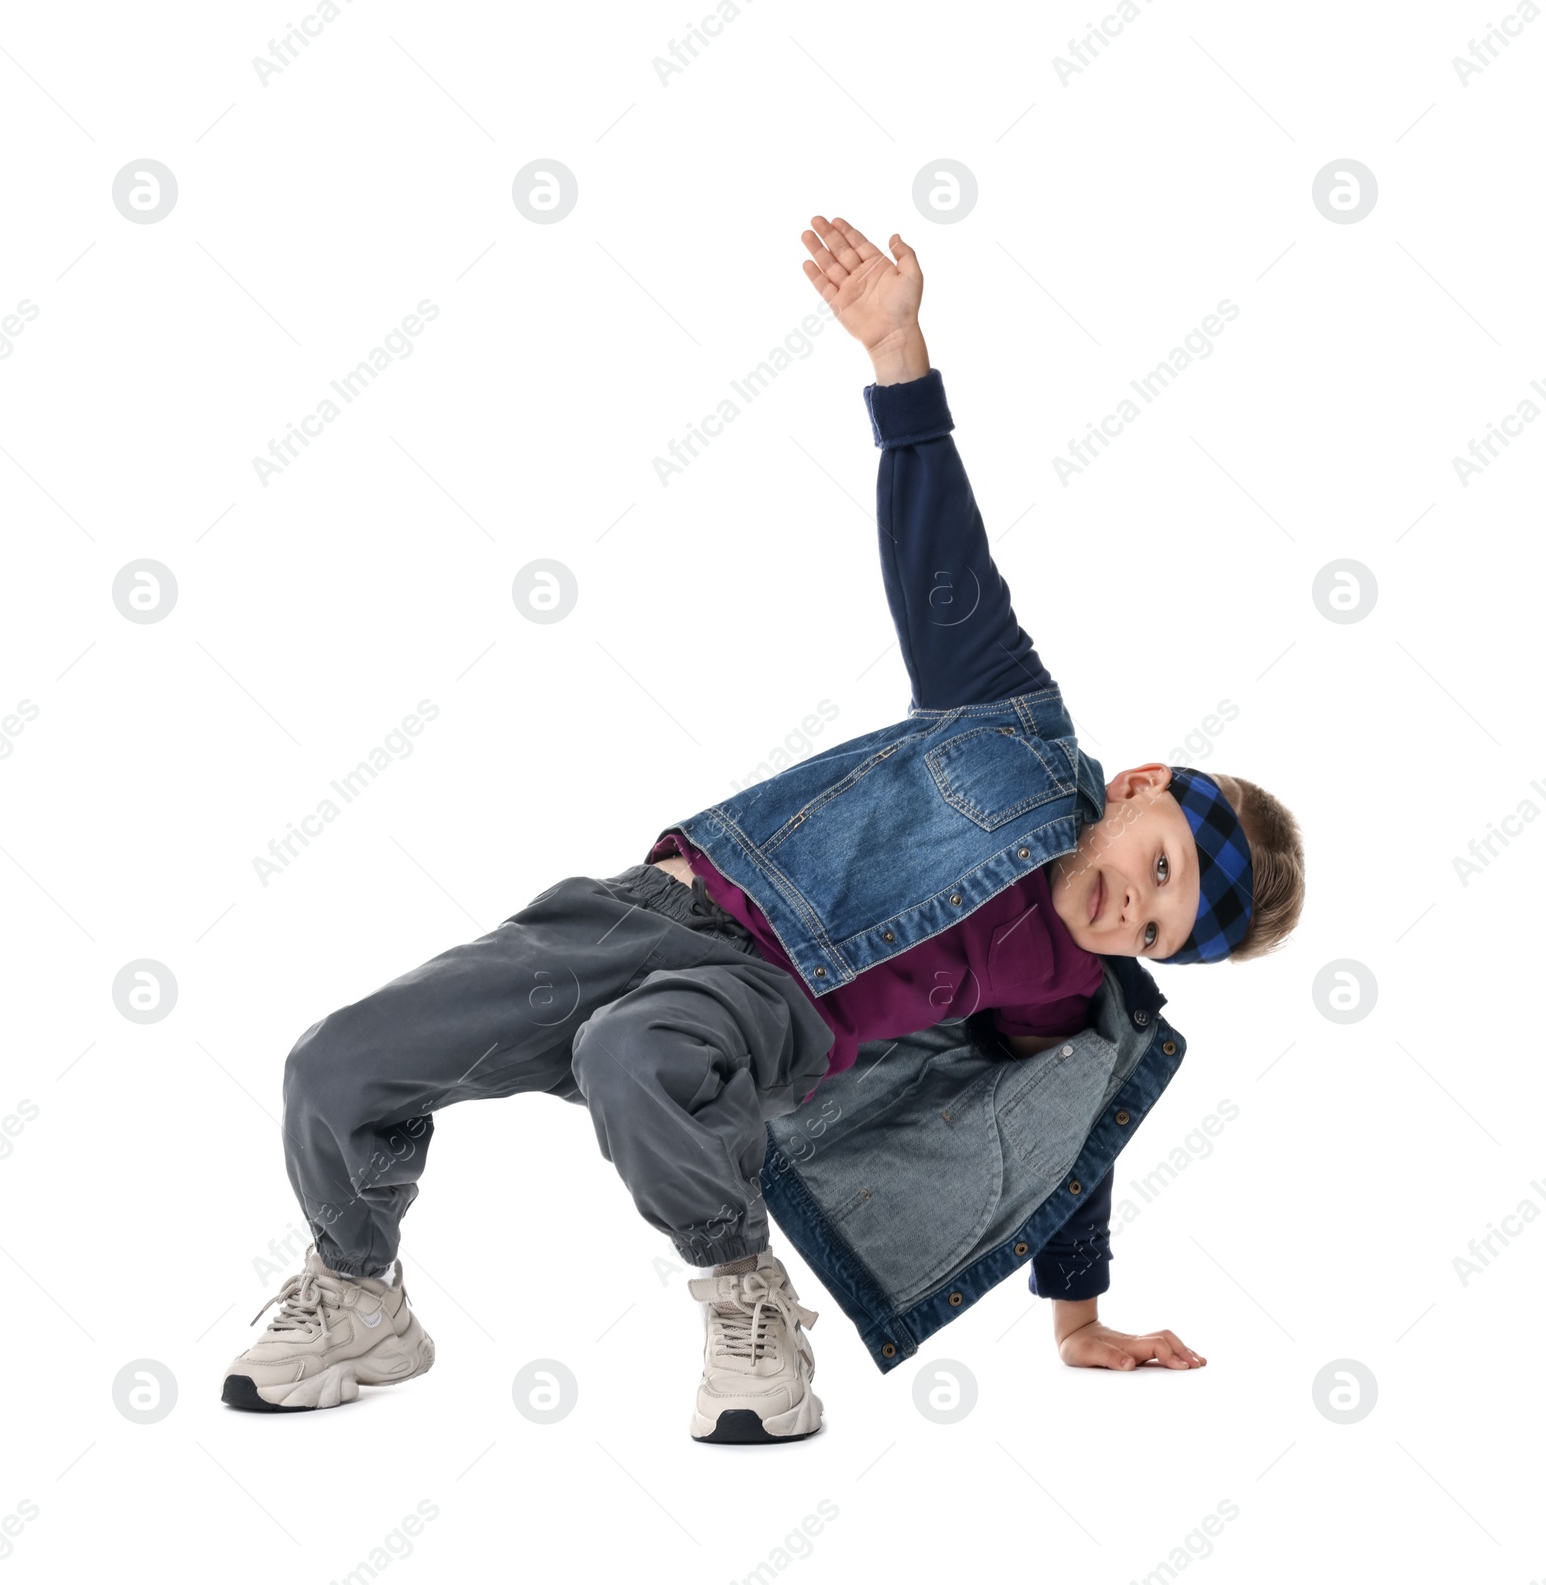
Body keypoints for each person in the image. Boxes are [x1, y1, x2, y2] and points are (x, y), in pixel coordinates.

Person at [220, 215, 1304, 1441]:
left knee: (634, 1052)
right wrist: (901, 358)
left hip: (764, 1011)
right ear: (1137, 786)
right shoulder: (1009, 730)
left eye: (1158, 932)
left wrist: (1076, 1319)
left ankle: (745, 1298)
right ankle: (359, 1293)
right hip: (645, 907)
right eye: (1153, 866)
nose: (1131, 910)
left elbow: (1062, 1134)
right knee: (337, 1060)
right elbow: (944, 563)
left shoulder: (1062, 985)